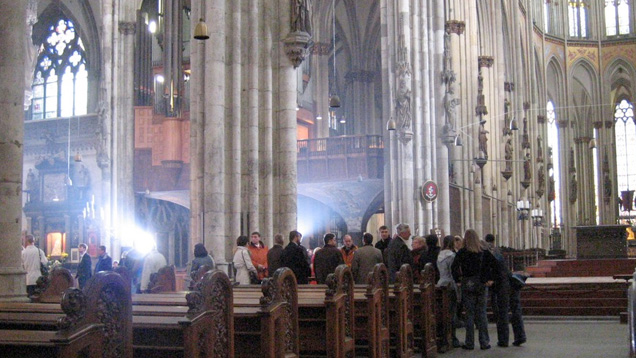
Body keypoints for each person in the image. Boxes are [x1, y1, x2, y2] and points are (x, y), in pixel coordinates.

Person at [451, 229, 498, 350]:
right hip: (481, 282)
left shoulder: (462, 252)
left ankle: (469, 343)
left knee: (469, 314)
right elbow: (494, 265)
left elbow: (454, 267)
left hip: (468, 283)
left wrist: (458, 280)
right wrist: (490, 279)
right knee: (481, 313)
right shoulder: (483, 252)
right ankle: (484, 342)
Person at [484, 233, 511, 347]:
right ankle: (503, 340)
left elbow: (490, 267)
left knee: (500, 312)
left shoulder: (487, 252)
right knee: (502, 312)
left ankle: (503, 339)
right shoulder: (498, 251)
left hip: (496, 283)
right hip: (503, 282)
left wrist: (489, 278)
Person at [437, 235, 460, 348]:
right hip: (450, 284)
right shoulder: (452, 256)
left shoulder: (439, 255)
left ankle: (443, 337)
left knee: (442, 312)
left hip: (441, 283)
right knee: (452, 312)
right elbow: (454, 271)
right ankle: (452, 338)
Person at [509, 273, 528, 346]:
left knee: (514, 311)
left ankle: (519, 337)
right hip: (510, 281)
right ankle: (520, 336)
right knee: (516, 310)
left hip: (504, 282)